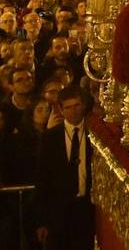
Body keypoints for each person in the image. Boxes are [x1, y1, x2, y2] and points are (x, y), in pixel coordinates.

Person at [33, 85, 93, 249]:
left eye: (77, 106)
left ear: (84, 105)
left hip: (86, 210)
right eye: (68, 107)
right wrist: (41, 221)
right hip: (58, 214)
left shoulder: (94, 134)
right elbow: (42, 180)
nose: (73, 111)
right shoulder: (50, 138)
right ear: (61, 109)